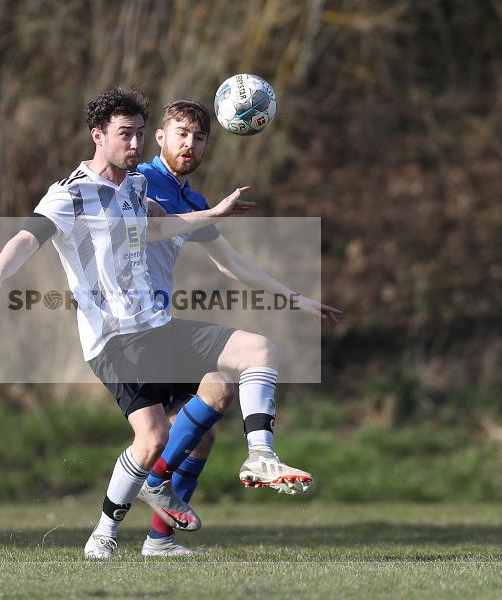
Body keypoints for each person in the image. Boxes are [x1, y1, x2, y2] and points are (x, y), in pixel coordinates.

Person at [0, 87, 265, 560]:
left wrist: (212, 214)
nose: (135, 144)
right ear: (98, 136)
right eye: (126, 134)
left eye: (141, 134)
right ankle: (111, 530)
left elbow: (164, 225)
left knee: (205, 397)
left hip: (153, 326)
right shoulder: (70, 194)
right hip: (112, 339)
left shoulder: (137, 186)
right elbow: (29, 235)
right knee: (154, 437)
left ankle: (133, 536)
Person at [133, 100, 343, 556]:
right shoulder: (137, 180)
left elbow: (232, 265)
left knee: (208, 416)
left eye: (200, 137)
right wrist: (214, 215)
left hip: (157, 322)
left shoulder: (193, 200)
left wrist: (295, 298)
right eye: (181, 133)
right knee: (252, 354)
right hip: (125, 330)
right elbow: (148, 226)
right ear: (161, 138)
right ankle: (255, 456)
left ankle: (160, 541)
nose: (190, 144)